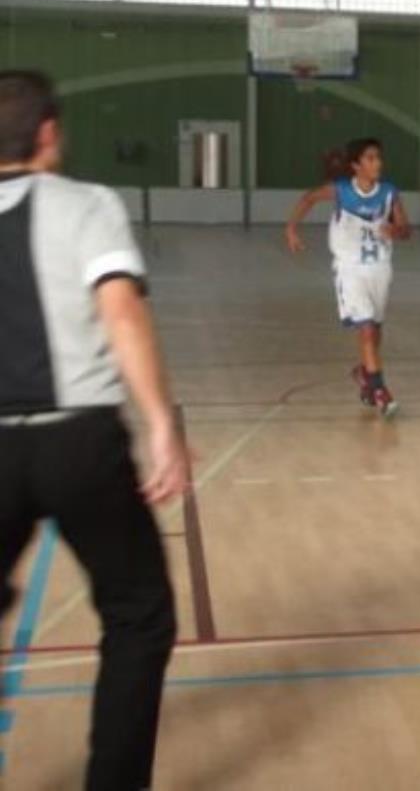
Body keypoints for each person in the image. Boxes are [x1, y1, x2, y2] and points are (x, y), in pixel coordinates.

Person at [0, 69, 189, 790]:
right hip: (80, 443)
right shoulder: (87, 204)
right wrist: (161, 425)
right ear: (48, 132)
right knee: (138, 615)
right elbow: (121, 312)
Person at [286, 138, 411, 418]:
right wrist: (292, 229)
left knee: (375, 331)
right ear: (356, 165)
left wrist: (396, 231)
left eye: (378, 157)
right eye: (370, 158)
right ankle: (380, 389)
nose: (377, 163)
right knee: (366, 328)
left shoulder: (389, 193)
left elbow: (406, 229)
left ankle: (365, 374)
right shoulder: (341, 191)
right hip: (350, 269)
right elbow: (308, 198)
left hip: (380, 269)